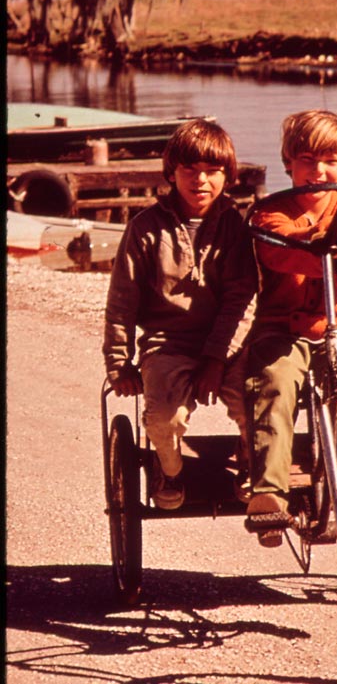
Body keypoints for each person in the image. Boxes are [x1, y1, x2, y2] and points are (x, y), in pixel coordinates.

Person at [244, 109, 337, 546]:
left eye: (330, 161)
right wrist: (328, 237)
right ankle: (269, 494)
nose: (319, 171)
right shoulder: (271, 212)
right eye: (307, 160)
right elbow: (280, 252)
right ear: (289, 163)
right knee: (273, 381)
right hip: (282, 327)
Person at [103, 118, 258, 510]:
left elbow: (243, 299)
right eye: (190, 170)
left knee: (257, 401)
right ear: (172, 172)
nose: (201, 180)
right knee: (164, 420)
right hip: (168, 343)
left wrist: (215, 359)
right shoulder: (144, 229)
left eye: (212, 171)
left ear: (228, 175)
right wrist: (119, 361)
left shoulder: (236, 228)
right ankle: (167, 468)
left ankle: (249, 461)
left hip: (228, 344)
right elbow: (122, 299)